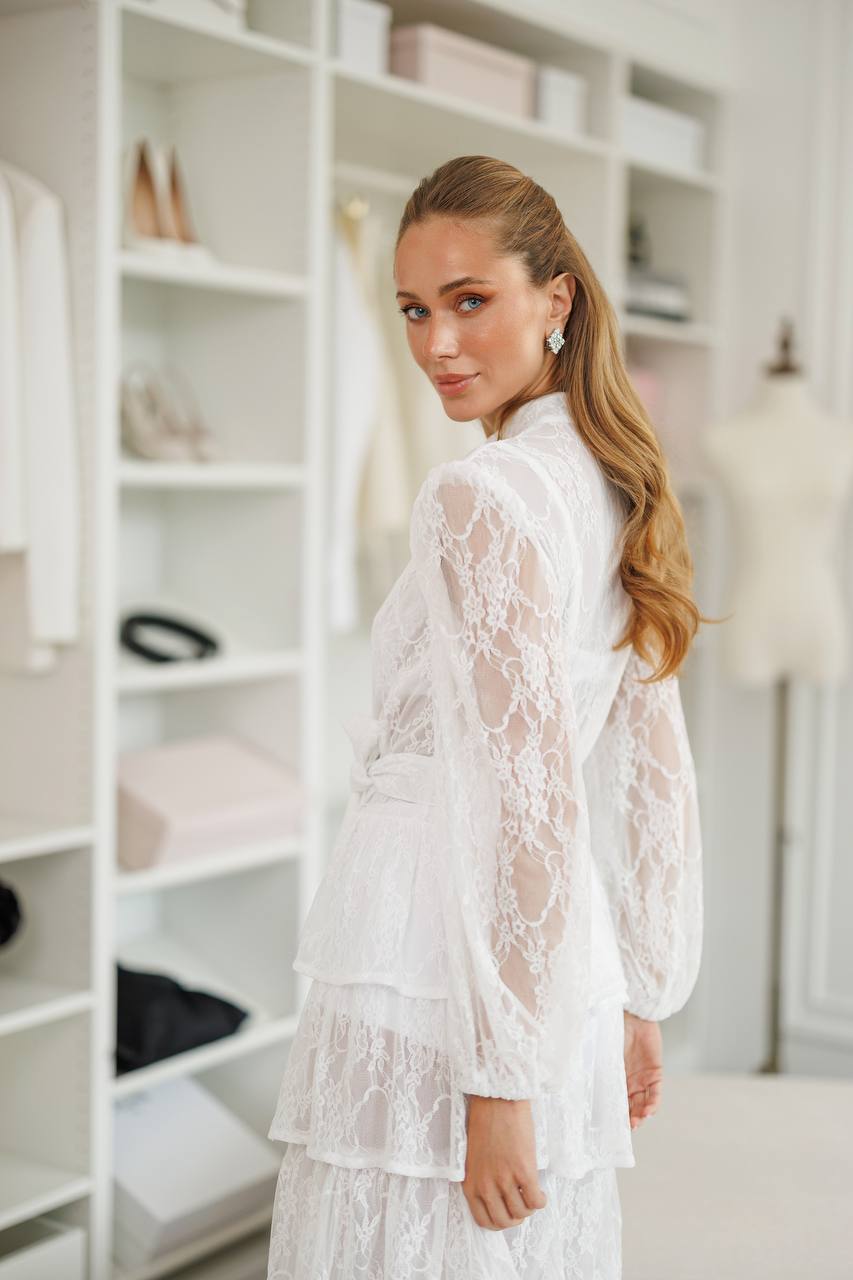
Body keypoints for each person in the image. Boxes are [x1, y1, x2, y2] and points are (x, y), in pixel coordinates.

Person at [265, 154, 708, 1279]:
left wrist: (498, 1074)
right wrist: (640, 986)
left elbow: (528, 794)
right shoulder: (612, 475)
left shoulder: (480, 494)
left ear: (554, 300)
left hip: (436, 936)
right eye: (413, 309)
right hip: (555, 948)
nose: (435, 345)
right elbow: (645, 761)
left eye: (471, 301)